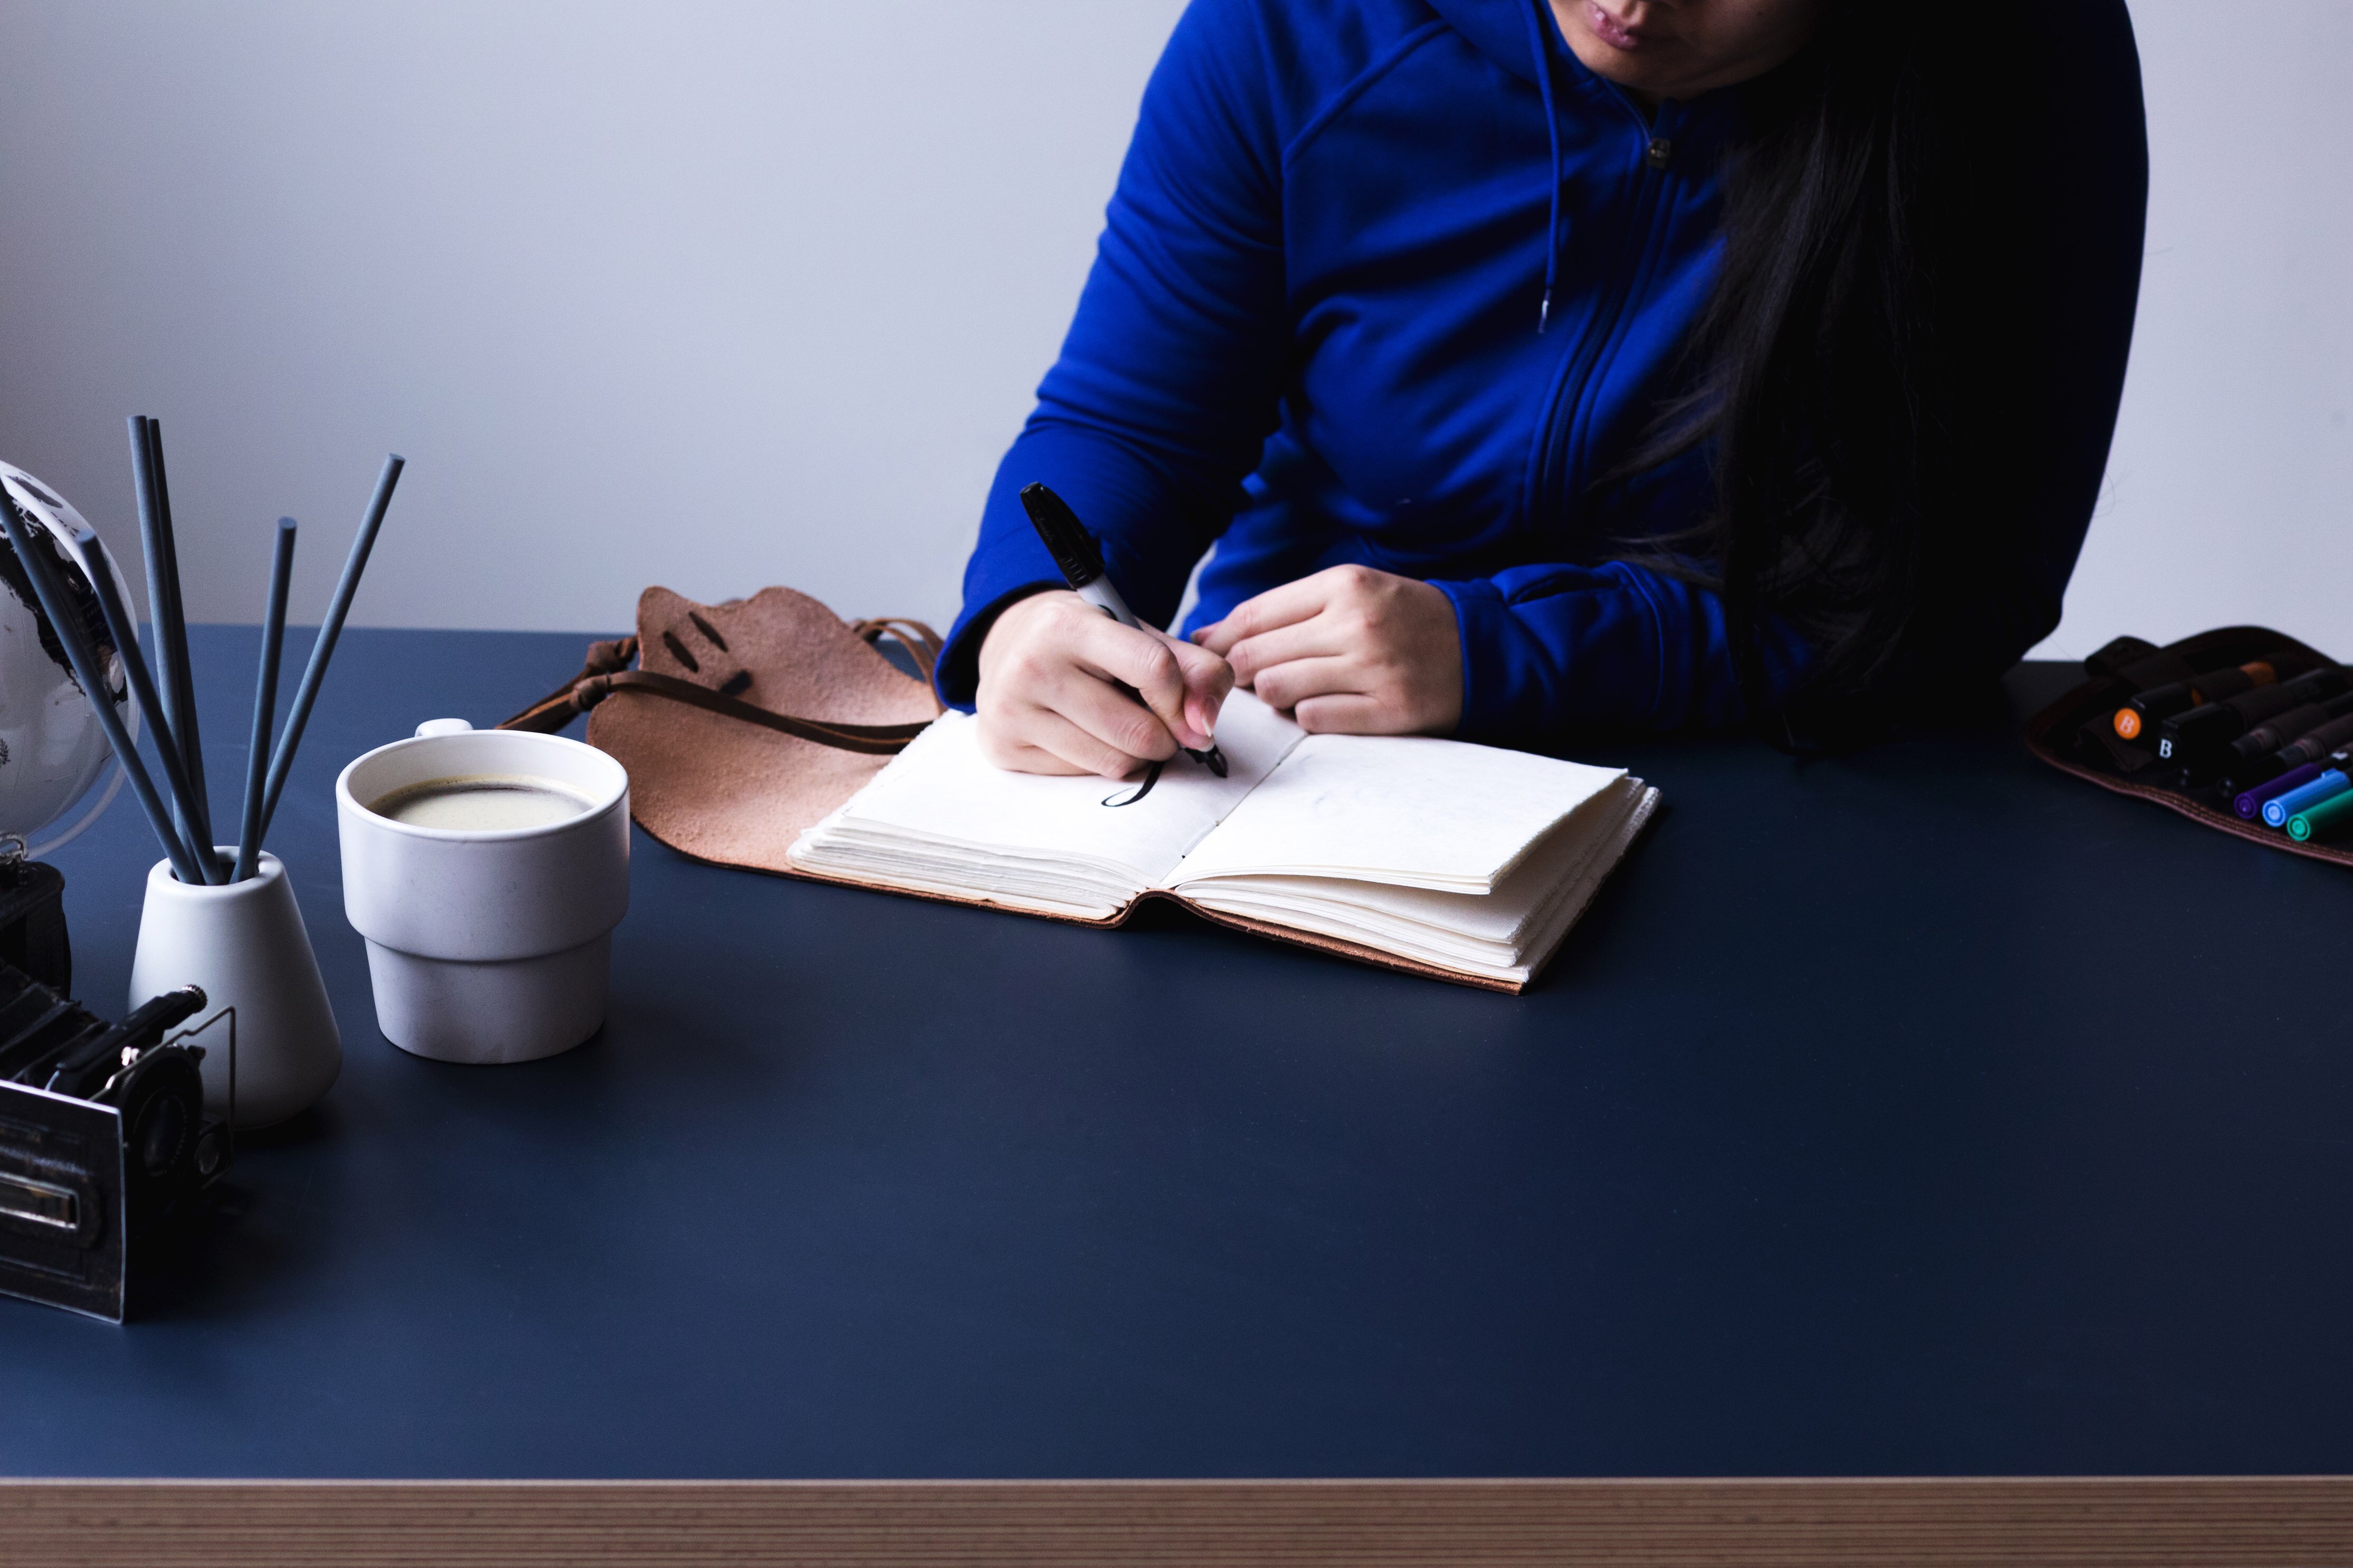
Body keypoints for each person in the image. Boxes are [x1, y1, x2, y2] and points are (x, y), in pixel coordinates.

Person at [935, 0, 2147, 778]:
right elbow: (1131, 422)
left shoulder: (2021, 54)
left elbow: (1974, 584)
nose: (1630, 4)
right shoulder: (1299, 25)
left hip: (1791, 778)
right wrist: (1029, 615)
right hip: (1294, 761)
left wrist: (1510, 646)